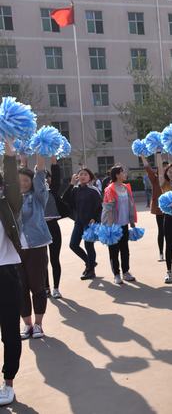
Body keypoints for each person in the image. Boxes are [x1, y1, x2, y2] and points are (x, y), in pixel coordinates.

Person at [17, 153, 52, 340]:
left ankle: (38, 325)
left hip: (37, 246)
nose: (23, 183)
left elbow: (39, 176)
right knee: (20, 288)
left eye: (26, 180)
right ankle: (27, 324)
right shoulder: (10, 199)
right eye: (19, 180)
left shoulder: (38, 197)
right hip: (15, 250)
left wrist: (40, 151)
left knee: (37, 287)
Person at [0, 139, 24, 406]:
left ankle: (8, 383)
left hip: (6, 272)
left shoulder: (8, 205)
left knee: (9, 331)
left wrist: (9, 150)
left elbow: (13, 183)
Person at [63, 168, 102, 280]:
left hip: (89, 223)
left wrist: (95, 218)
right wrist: (71, 184)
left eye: (85, 174)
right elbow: (65, 199)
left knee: (89, 246)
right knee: (73, 245)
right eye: (81, 174)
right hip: (79, 222)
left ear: (89, 177)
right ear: (77, 177)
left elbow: (100, 207)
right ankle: (90, 263)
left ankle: (91, 271)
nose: (83, 176)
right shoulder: (75, 190)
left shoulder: (94, 190)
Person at [102, 165, 137, 285]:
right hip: (113, 226)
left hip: (124, 224)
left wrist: (132, 220)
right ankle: (116, 274)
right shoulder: (110, 189)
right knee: (113, 251)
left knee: (125, 249)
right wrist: (110, 226)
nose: (125, 174)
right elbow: (108, 209)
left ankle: (126, 272)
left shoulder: (125, 187)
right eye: (123, 172)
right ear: (117, 174)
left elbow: (130, 205)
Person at [43, 156, 69, 299]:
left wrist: (53, 157)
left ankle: (56, 288)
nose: (46, 180)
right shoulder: (35, 194)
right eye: (43, 178)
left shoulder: (53, 191)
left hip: (53, 227)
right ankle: (46, 287)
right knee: (43, 261)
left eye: (48, 178)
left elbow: (57, 174)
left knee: (54, 259)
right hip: (40, 229)